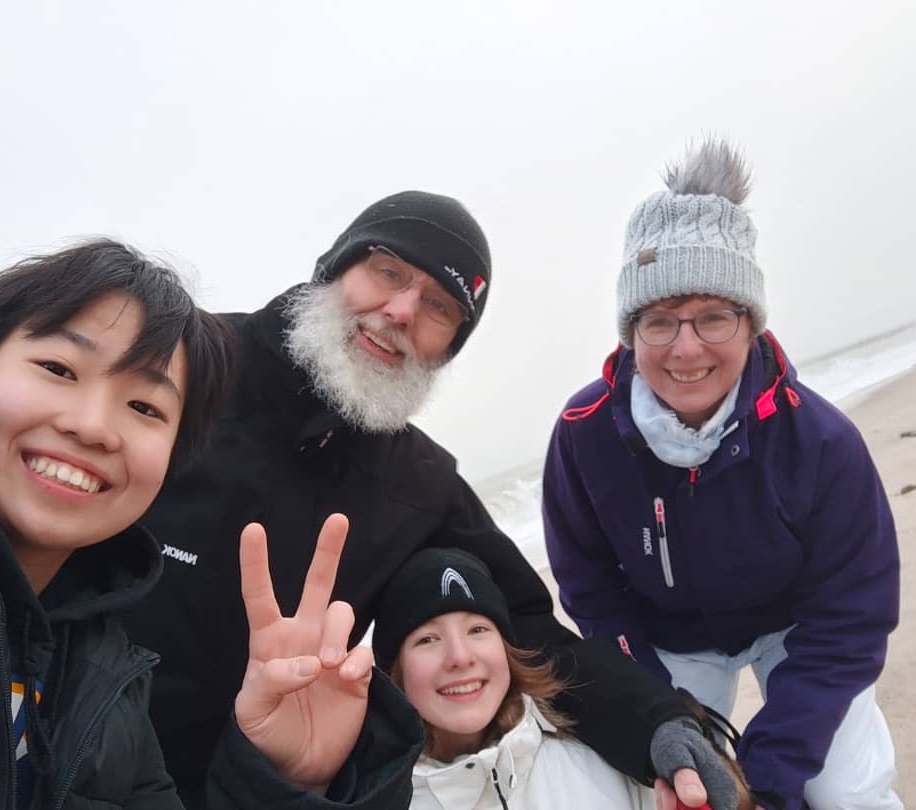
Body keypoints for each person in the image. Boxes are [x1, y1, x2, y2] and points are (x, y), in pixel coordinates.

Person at [119, 190, 743, 809]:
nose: (400, 311)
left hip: (240, 789)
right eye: (387, 271)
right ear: (335, 268)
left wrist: (657, 726)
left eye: (439, 307)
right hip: (71, 745)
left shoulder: (416, 482)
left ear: (447, 349)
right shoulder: (191, 368)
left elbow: (532, 633)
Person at [0, 240, 420, 809]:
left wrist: (285, 781)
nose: (93, 426)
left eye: (144, 408)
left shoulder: (108, 685)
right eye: (59, 369)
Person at [542, 139, 902, 809]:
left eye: (713, 316)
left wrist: (766, 773)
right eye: (659, 321)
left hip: (798, 629)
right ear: (630, 332)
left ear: (751, 323)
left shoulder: (821, 441)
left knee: (842, 791)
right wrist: (657, 712)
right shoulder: (582, 434)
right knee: (666, 789)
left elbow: (851, 616)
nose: (686, 348)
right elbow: (590, 588)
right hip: (669, 638)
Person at [373, 546, 659, 808]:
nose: (460, 657)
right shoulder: (378, 799)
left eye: (477, 630)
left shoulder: (608, 751)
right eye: (427, 639)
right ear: (395, 671)